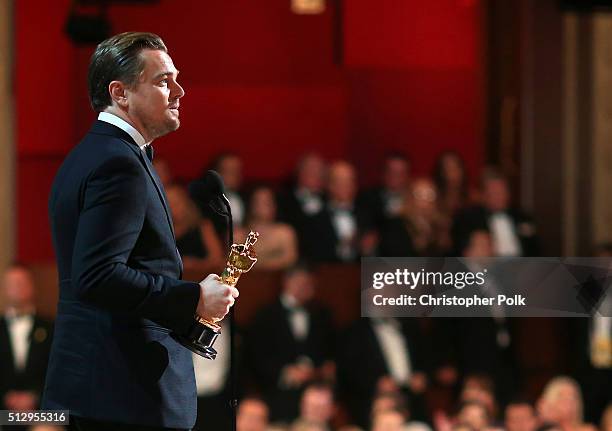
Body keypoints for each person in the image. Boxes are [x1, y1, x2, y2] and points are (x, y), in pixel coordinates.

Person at [42, 32, 238, 430]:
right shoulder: (119, 163)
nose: (180, 91)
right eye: (164, 81)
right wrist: (195, 297)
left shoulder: (94, 153)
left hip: (104, 389)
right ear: (121, 93)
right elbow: (97, 276)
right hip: (125, 394)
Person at [245, 264, 335, 422]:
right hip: (279, 394)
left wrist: (321, 369)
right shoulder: (265, 315)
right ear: (286, 281)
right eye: (301, 283)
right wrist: (285, 372)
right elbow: (256, 357)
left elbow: (330, 350)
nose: (306, 289)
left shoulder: (322, 314)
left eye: (310, 284)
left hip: (316, 391)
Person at [0, 264, 53, 425]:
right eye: (12, 284)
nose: (18, 288)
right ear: (3, 289)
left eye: (22, 283)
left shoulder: (51, 329)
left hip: (42, 414)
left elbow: (57, 372)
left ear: (32, 286)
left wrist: (34, 397)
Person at [242, 184, 298, 270]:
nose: (263, 206)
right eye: (258, 201)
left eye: (267, 201)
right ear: (250, 204)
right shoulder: (237, 235)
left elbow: (290, 260)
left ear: (275, 205)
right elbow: (233, 264)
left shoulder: (285, 233)